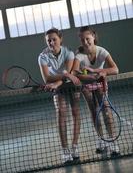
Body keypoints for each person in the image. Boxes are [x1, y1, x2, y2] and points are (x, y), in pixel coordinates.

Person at [72, 26, 120, 155]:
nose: (85, 42)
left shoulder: (102, 51)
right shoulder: (79, 55)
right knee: (94, 112)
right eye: (82, 40)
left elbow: (115, 70)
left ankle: (112, 141)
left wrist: (99, 71)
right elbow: (74, 73)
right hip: (86, 85)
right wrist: (89, 77)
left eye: (87, 39)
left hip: (100, 84)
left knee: (106, 111)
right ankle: (101, 140)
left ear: (93, 36)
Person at [38, 28, 81, 163]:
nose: (51, 42)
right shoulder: (42, 57)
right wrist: (61, 78)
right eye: (48, 40)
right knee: (61, 113)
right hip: (58, 86)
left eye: (54, 39)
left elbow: (68, 74)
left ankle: (74, 146)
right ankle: (65, 150)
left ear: (60, 39)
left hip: (70, 85)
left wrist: (58, 81)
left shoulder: (69, 53)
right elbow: (46, 79)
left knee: (75, 112)